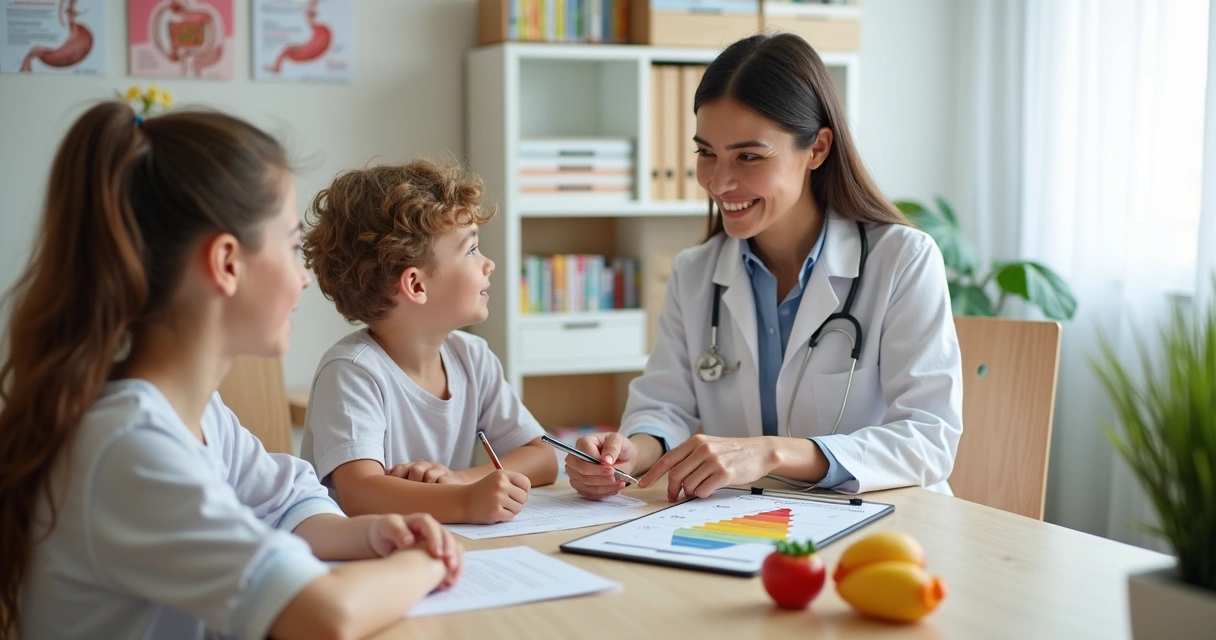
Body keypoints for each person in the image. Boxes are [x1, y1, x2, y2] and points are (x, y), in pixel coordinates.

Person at [0, 102, 463, 640]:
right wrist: (428, 562)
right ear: (225, 264)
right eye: (292, 247)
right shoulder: (130, 447)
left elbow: (288, 501)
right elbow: (327, 616)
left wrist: (375, 534)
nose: (304, 278)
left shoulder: (200, 416)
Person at [566, 34, 963, 502]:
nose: (719, 181)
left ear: (817, 149)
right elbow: (665, 407)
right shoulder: (695, 273)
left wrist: (771, 454)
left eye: (749, 156)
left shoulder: (902, 260)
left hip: (885, 518)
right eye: (706, 153)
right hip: (750, 521)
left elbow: (929, 440)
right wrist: (630, 452)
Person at [300, 160, 557, 525]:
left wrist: (461, 481)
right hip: (360, 551)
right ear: (416, 285)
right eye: (471, 250)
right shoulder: (351, 372)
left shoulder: (472, 358)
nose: (488, 264)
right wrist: (465, 501)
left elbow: (543, 457)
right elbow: (360, 493)